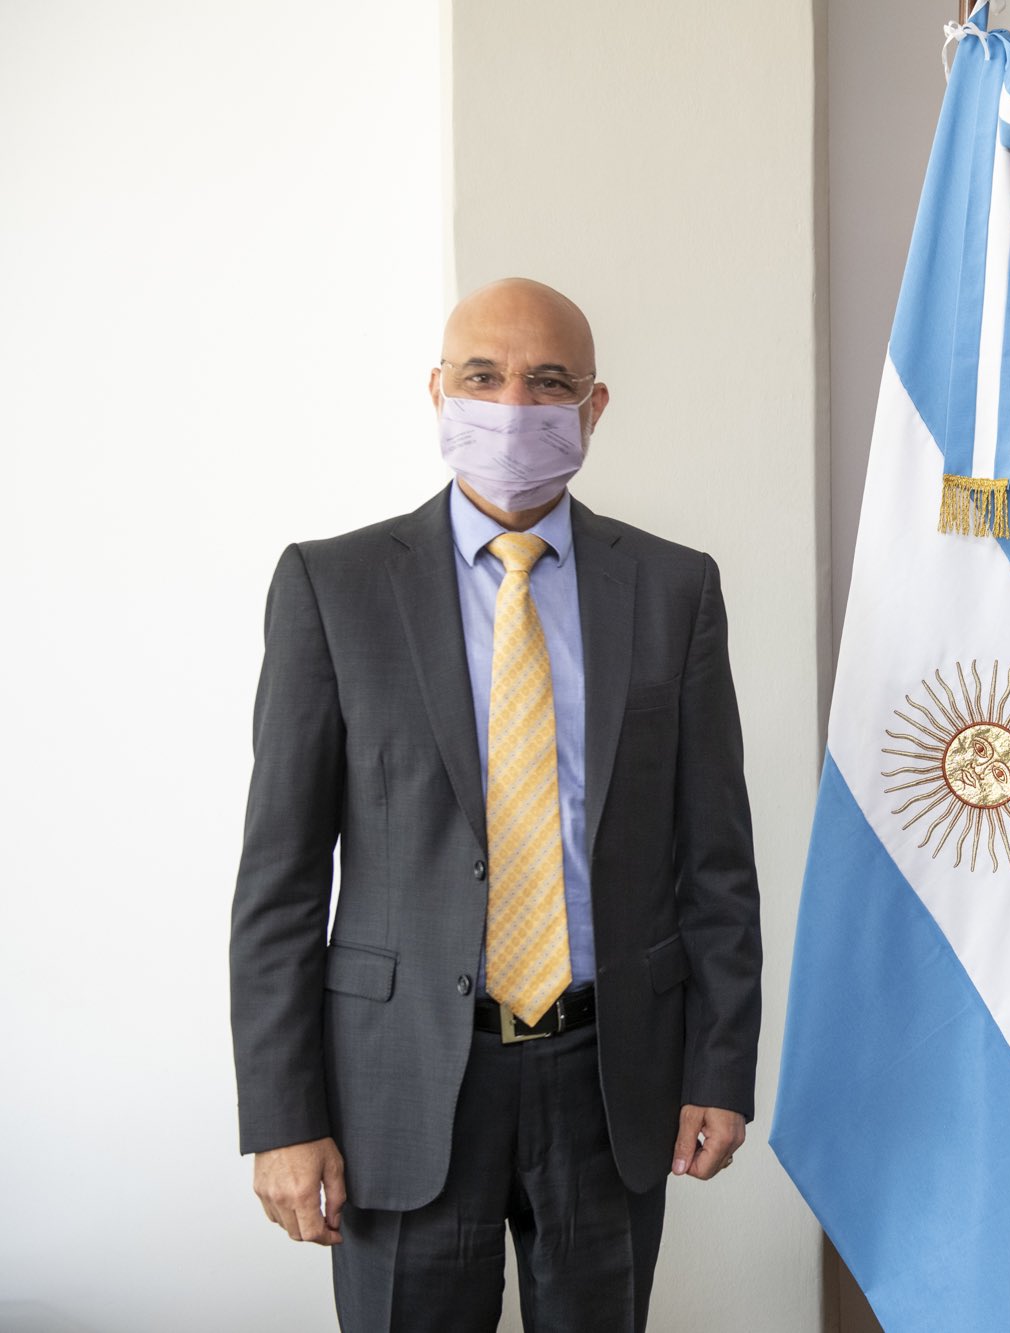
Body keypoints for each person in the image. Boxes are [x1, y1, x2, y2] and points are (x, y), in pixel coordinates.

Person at [229, 278, 762, 1331]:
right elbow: (279, 883)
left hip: (608, 1073)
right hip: (401, 1082)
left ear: (593, 407)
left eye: (549, 381)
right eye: (483, 376)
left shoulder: (674, 589)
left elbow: (716, 863)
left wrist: (721, 1067)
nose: (513, 404)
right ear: (437, 391)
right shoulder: (333, 587)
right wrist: (282, 1117)